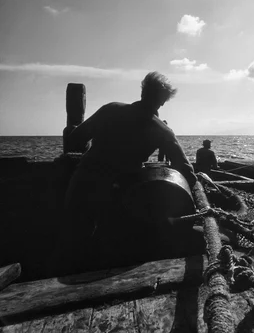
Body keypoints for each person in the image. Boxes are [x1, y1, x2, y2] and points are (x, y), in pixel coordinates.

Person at [54, 72, 202, 274]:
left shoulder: (111, 109)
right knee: (107, 247)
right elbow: (186, 171)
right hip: (117, 193)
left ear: (143, 90)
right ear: (163, 101)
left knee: (73, 242)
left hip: (83, 182)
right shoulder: (163, 131)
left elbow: (75, 138)